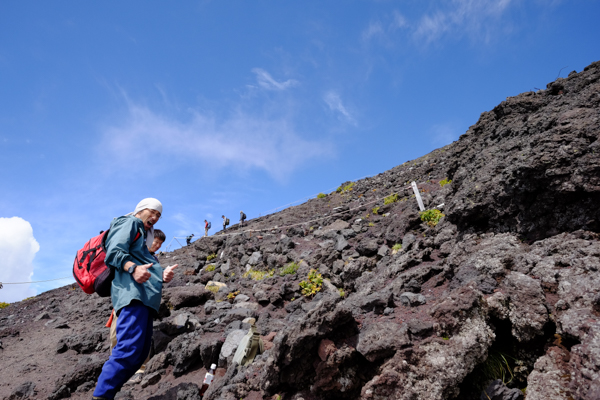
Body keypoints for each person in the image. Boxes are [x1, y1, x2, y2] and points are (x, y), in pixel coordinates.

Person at [93, 199, 178, 400]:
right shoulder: (129, 222)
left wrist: (162, 275)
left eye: (159, 215)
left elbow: (145, 266)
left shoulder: (143, 238)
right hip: (133, 296)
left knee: (138, 354)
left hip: (146, 299)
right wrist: (132, 268)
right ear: (141, 210)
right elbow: (114, 252)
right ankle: (101, 395)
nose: (156, 217)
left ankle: (107, 394)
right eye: (153, 212)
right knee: (129, 349)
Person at [105, 229, 166, 385]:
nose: (158, 245)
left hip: (142, 302)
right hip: (124, 299)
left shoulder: (155, 261)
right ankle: (117, 368)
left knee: (139, 334)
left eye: (160, 243)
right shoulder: (134, 252)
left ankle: (139, 369)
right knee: (115, 334)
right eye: (156, 241)